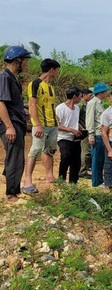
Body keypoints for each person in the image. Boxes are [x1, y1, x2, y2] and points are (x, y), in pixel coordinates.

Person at [23, 58, 61, 193]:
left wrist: (56, 120)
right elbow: (32, 104)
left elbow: (50, 106)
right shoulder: (35, 84)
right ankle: (27, 180)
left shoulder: (50, 87)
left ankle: (49, 176)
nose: (57, 73)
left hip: (53, 125)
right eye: (57, 70)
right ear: (52, 70)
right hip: (41, 125)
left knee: (50, 150)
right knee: (35, 150)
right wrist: (37, 124)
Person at [0, 45, 31, 203]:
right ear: (17, 61)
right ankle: (10, 195)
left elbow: (12, 104)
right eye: (25, 60)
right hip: (10, 124)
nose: (27, 64)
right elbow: (1, 103)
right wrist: (9, 126)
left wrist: (24, 113)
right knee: (15, 158)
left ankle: (14, 191)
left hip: (15, 121)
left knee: (16, 157)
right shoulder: (4, 77)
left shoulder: (13, 79)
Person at [55, 87, 83, 183]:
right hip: (63, 137)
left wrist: (80, 128)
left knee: (76, 161)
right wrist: (71, 130)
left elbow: (74, 120)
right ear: (75, 97)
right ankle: (61, 180)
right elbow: (57, 125)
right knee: (65, 156)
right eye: (80, 96)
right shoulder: (60, 108)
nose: (81, 99)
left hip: (74, 138)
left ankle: (73, 182)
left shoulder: (77, 109)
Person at [86, 82, 110, 187]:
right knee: (96, 159)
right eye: (106, 91)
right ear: (102, 92)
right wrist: (91, 134)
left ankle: (100, 180)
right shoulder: (93, 103)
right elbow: (90, 119)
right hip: (96, 134)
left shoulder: (100, 103)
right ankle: (96, 182)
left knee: (101, 159)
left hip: (101, 134)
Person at [78, 88, 93, 178]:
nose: (91, 97)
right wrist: (81, 128)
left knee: (87, 152)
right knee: (86, 152)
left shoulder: (87, 105)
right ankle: (82, 171)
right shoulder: (80, 106)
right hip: (84, 131)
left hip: (88, 131)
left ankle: (84, 170)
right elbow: (76, 118)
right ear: (84, 95)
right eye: (90, 95)